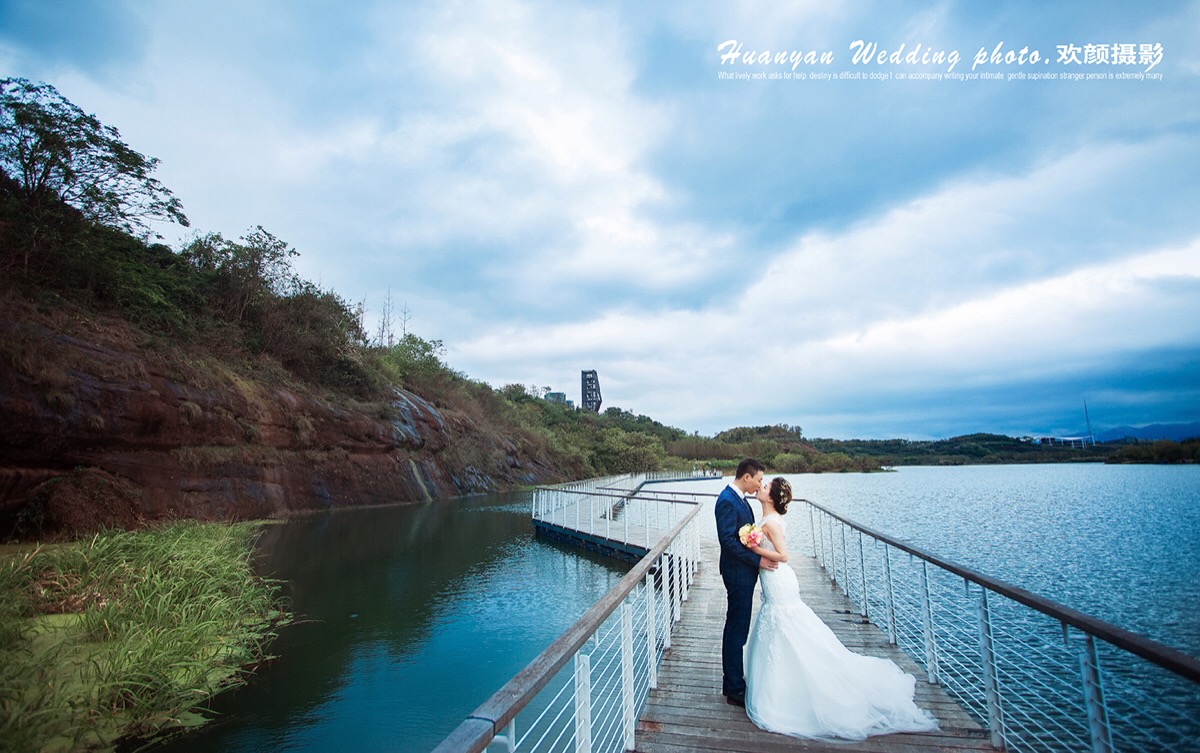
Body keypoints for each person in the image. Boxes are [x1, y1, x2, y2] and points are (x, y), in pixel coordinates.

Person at [743, 477, 939, 740]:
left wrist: (754, 549)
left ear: (771, 497)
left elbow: (784, 555)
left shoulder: (772, 523)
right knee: (776, 624)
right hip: (772, 580)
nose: (761, 487)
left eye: (766, 487)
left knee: (784, 623)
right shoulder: (767, 520)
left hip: (779, 579)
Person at [714, 458, 777, 707]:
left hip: (743, 573)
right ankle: (734, 688)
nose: (760, 485)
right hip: (737, 574)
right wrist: (758, 560)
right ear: (747, 477)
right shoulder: (727, 501)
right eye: (759, 479)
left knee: (737, 629)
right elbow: (728, 541)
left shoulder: (740, 499)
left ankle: (733, 682)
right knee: (736, 631)